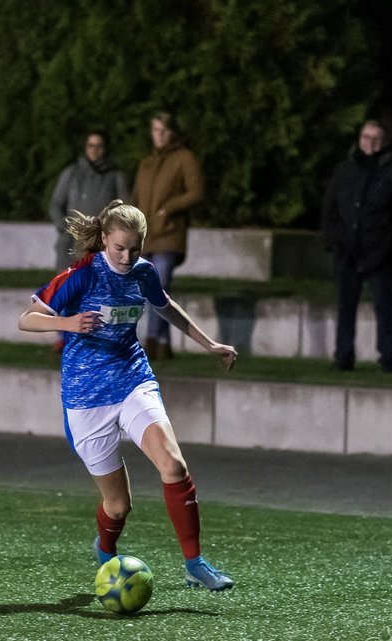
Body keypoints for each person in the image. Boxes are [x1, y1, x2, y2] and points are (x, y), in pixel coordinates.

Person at [18, 200, 236, 591]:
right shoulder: (82, 274)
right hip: (87, 397)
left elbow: (164, 306)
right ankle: (105, 547)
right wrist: (67, 322)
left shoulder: (142, 272)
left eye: (135, 249)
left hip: (132, 378)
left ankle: (195, 563)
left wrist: (210, 344)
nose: (126, 256)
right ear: (104, 239)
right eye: (119, 247)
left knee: (173, 466)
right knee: (118, 506)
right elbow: (26, 318)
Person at [319, 119, 392, 372]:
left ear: (383, 143)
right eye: (365, 137)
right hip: (347, 253)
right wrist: (334, 242)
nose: (369, 143)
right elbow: (330, 209)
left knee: (383, 307)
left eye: (375, 139)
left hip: (378, 255)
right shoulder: (345, 169)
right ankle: (343, 358)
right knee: (345, 308)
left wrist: (389, 249)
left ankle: (387, 358)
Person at [131, 112, 204, 360]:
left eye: (162, 130)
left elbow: (195, 192)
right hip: (146, 234)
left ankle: (151, 339)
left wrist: (169, 209)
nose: (158, 135)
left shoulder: (184, 158)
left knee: (158, 286)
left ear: (172, 132)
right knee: (154, 289)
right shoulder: (147, 163)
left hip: (169, 233)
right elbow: (136, 196)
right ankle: (163, 343)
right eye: (154, 130)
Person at [48, 131, 129, 270]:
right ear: (85, 147)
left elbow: (126, 208)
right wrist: (63, 226)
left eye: (99, 146)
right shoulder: (71, 173)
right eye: (91, 145)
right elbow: (56, 204)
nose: (94, 150)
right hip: (72, 241)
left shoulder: (115, 176)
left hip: (102, 242)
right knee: (69, 285)